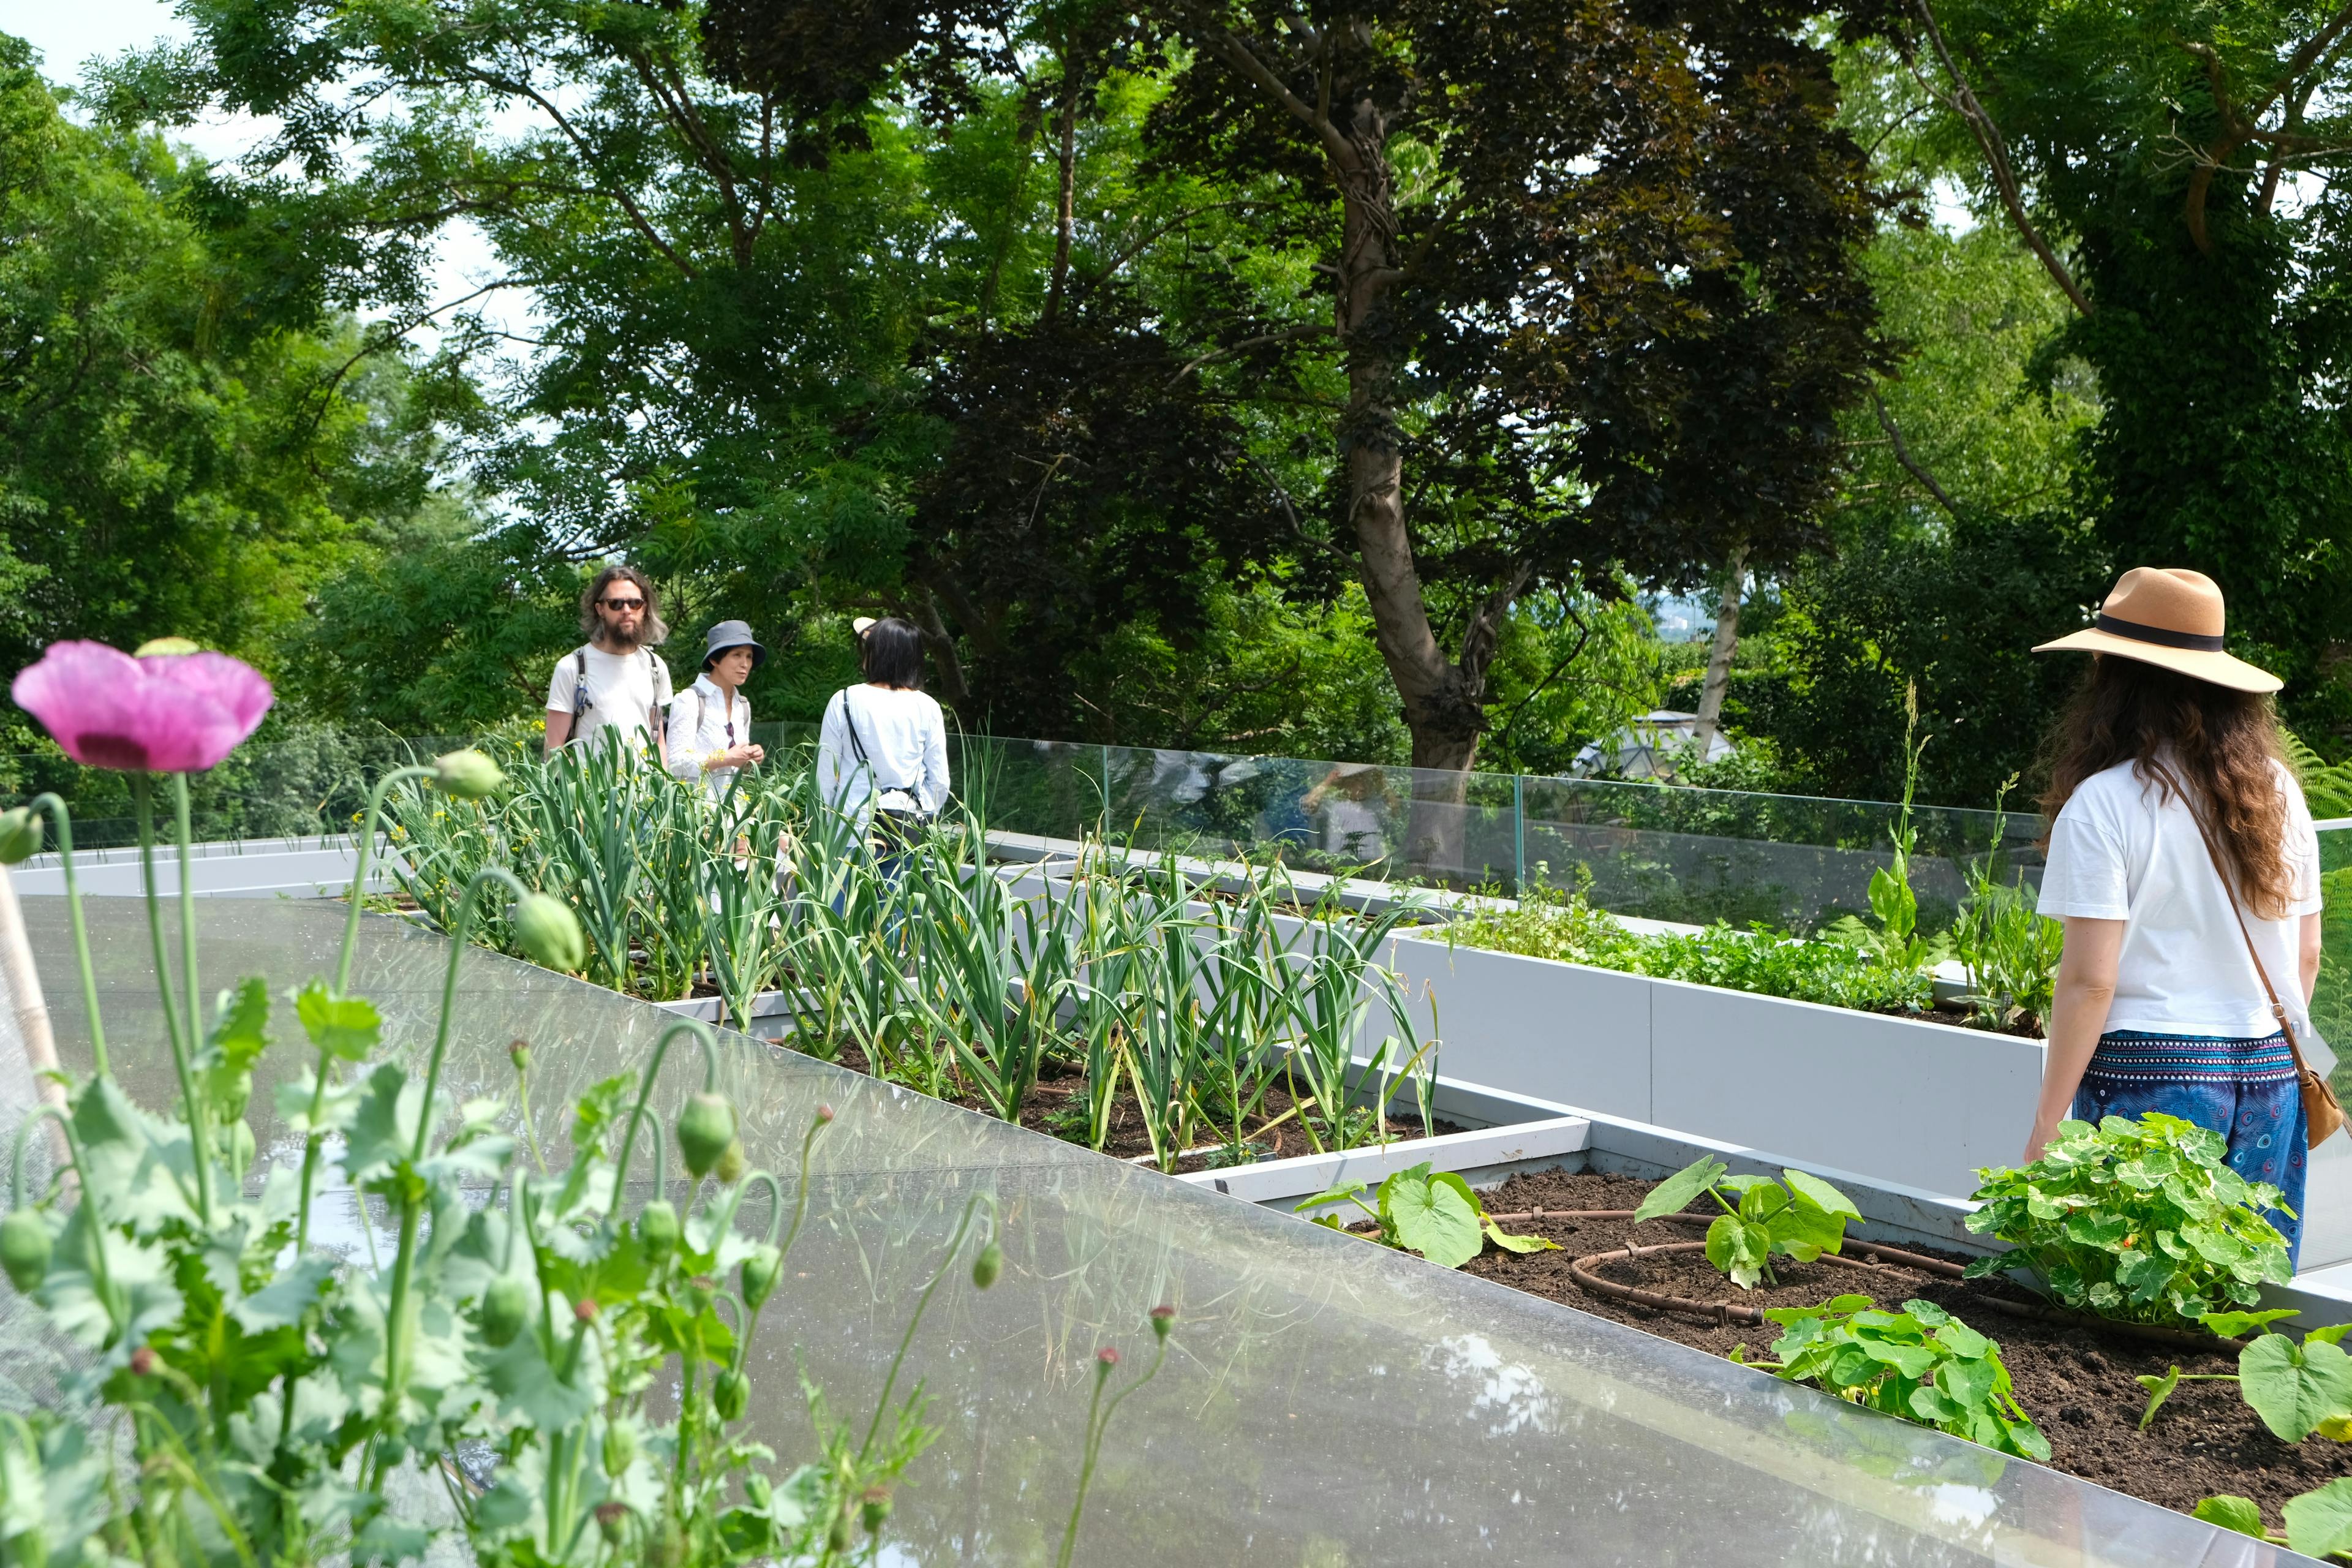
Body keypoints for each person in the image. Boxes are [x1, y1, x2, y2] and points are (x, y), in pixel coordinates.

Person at [2027, 567, 2328, 1262]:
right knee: (2239, 1292)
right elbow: (2305, 956)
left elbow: (2090, 983)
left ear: (2114, 680)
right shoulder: (2278, 792)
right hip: (2272, 1072)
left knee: (2134, 1293)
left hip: (2148, 1072)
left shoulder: (2102, 805)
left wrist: (2046, 1123)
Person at [817, 616, 949, 846]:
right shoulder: (928, 707)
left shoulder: (844, 700)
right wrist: (920, 813)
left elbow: (825, 777)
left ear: (877, 654)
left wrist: (822, 829)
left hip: (851, 832)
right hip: (906, 836)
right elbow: (939, 782)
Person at [545, 565, 673, 764]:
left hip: (644, 793)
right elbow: (554, 747)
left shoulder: (655, 667)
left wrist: (663, 788)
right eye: (616, 604)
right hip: (590, 793)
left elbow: (658, 741)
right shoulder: (573, 668)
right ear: (600, 609)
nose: (626, 610)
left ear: (644, 608)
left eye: (635, 603)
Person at [669, 620, 767, 801]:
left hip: (732, 812)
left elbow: (736, 770)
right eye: (737, 655)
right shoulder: (689, 700)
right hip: (695, 815)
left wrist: (750, 758)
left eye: (749, 656)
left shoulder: (742, 706)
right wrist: (726, 758)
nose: (745, 664)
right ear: (715, 659)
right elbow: (675, 764)